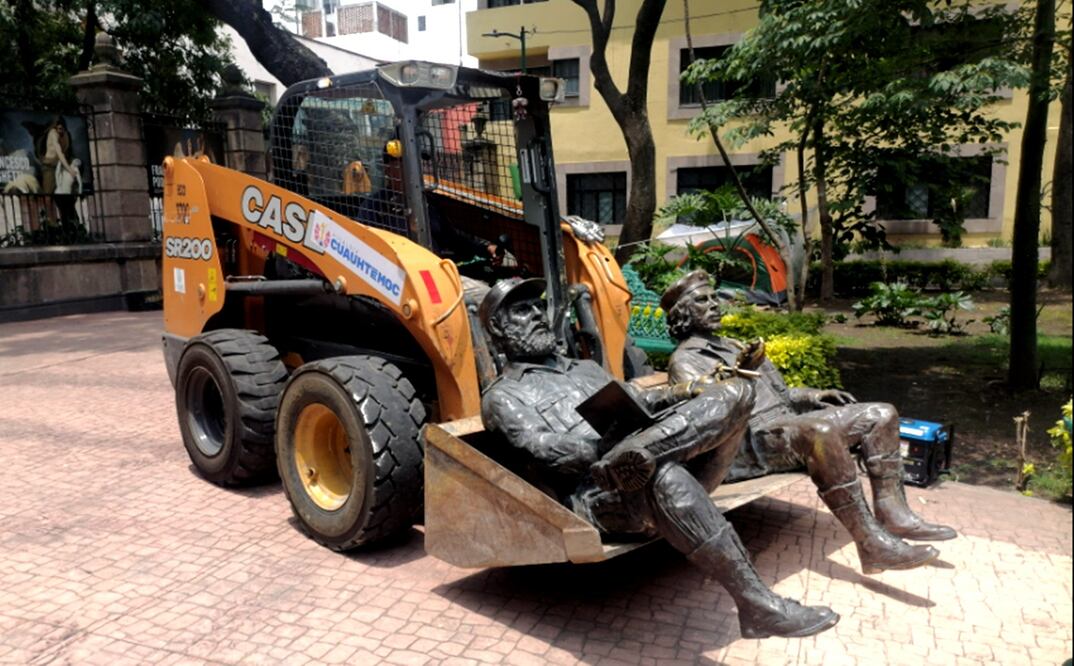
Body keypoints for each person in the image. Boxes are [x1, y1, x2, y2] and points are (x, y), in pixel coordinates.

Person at [479, 278, 839, 639]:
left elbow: (642, 399)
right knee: (663, 476)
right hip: (598, 492)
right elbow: (540, 447)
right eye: (522, 310)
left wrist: (692, 389)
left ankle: (643, 452)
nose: (538, 314)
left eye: (538, 306)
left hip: (645, 458)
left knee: (737, 390)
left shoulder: (584, 369)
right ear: (497, 328)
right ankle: (759, 606)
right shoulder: (503, 396)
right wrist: (604, 450)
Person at [662, 271, 956, 575]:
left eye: (714, 297)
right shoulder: (685, 361)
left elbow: (782, 393)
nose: (714, 304)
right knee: (820, 433)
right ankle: (872, 545)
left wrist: (816, 395)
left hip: (785, 425)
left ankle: (894, 514)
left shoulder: (734, 345)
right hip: (748, 442)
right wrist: (740, 375)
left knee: (882, 415)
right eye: (702, 301)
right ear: (684, 315)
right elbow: (711, 415)